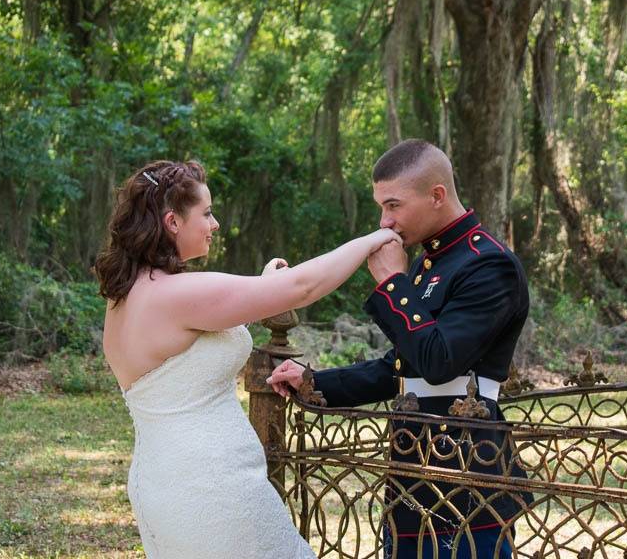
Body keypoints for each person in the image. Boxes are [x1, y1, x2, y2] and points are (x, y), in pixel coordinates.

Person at [93, 159, 400, 559]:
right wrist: (371, 241)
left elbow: (213, 317)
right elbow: (302, 287)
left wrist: (264, 286)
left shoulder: (125, 298)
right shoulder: (175, 294)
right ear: (172, 221)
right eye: (205, 213)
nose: (215, 223)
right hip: (210, 489)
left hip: (163, 480)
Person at [268, 139, 532, 559]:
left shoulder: (489, 265)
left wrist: (393, 284)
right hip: (411, 476)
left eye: (394, 206)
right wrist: (314, 382)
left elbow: (439, 362)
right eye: (381, 207)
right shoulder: (432, 262)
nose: (384, 222)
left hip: (467, 482)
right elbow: (401, 370)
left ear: (437, 195)